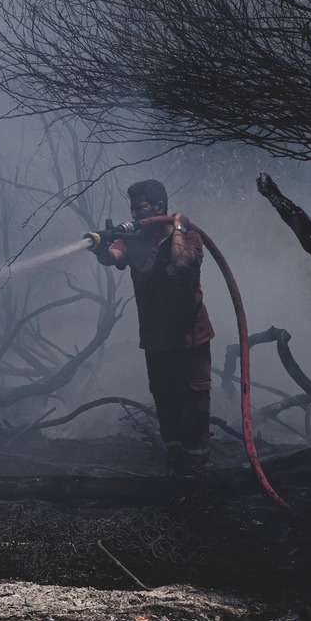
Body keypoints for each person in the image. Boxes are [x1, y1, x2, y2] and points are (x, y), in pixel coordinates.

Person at [93, 180, 215, 476]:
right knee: (166, 403)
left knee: (194, 405)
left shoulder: (191, 236)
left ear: (160, 207)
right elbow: (113, 257)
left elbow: (181, 261)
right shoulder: (135, 239)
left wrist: (178, 228)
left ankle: (198, 469)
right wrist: (100, 246)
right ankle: (174, 463)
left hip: (190, 339)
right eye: (133, 208)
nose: (135, 214)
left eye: (142, 208)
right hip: (156, 340)